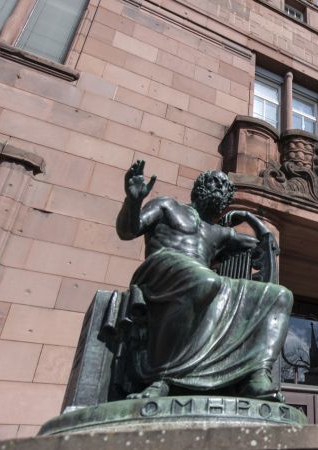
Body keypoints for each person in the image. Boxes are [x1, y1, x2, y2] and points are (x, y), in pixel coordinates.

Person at [115, 160, 293, 401]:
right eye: (215, 184)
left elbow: (265, 244)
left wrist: (248, 216)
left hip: (200, 278)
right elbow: (128, 230)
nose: (220, 190)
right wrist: (133, 201)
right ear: (199, 187)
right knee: (206, 281)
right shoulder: (168, 206)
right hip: (159, 268)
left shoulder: (218, 232)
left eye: (225, 190)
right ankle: (163, 376)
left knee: (280, 295)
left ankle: (256, 375)